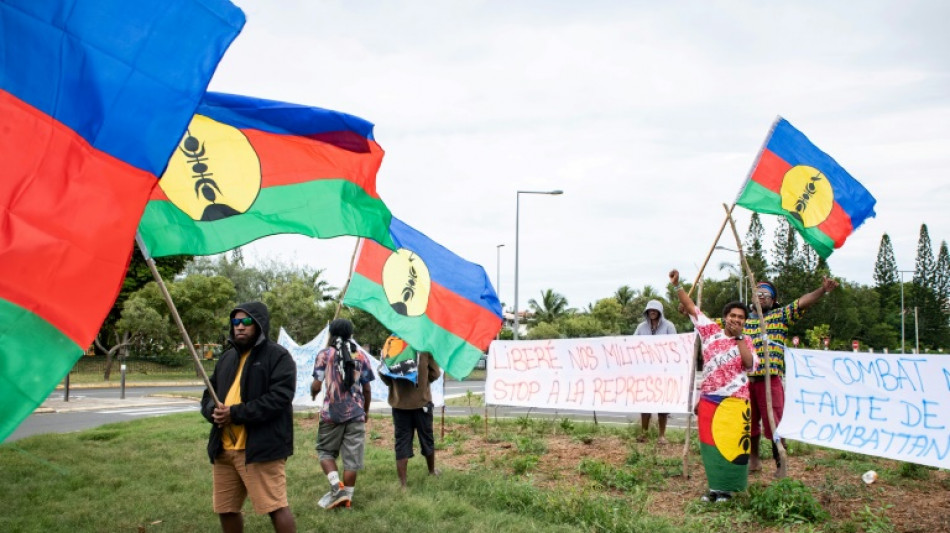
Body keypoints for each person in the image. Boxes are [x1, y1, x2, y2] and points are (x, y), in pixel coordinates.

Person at [201, 302, 297, 533]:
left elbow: (279, 398)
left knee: (275, 507)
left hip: (259, 449)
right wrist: (212, 411)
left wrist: (235, 414)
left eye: (246, 322)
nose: (240, 327)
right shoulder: (226, 358)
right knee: (226, 508)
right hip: (224, 449)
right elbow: (208, 394)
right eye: (236, 322)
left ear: (259, 324)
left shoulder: (278, 356)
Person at [670, 269, 756, 503]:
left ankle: (730, 490)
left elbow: (749, 365)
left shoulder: (747, 341)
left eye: (741, 318)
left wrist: (739, 340)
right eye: (733, 316)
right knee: (711, 447)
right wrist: (678, 286)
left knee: (731, 445)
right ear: (725, 317)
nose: (737, 320)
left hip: (736, 402)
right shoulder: (710, 332)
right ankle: (715, 488)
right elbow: (691, 308)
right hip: (709, 401)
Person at [745, 277, 839, 474]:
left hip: (770, 379)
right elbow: (711, 323)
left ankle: (781, 462)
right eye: (758, 294)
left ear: (773, 300)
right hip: (747, 380)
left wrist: (822, 290)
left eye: (766, 295)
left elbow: (802, 302)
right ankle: (754, 460)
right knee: (749, 423)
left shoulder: (779, 316)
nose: (761, 298)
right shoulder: (742, 319)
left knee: (776, 423)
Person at [310, 318, 374, 509]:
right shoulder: (360, 356)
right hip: (356, 413)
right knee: (351, 460)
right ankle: (347, 500)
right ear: (350, 334)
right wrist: (366, 411)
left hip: (332, 415)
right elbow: (367, 388)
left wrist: (313, 393)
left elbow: (316, 384)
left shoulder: (324, 354)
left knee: (324, 451)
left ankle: (336, 489)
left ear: (331, 333)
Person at [378, 337, 442, 487]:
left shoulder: (390, 343)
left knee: (401, 441)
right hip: (422, 403)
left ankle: (403, 484)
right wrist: (423, 382)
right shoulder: (423, 344)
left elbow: (383, 373)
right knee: (427, 437)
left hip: (399, 404)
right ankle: (432, 471)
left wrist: (394, 385)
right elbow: (435, 373)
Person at [633, 299, 677, 444]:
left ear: (660, 312)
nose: (652, 312)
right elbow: (632, 345)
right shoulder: (641, 327)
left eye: (655, 310)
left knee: (662, 405)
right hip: (645, 372)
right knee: (645, 404)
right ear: (647, 311)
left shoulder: (669, 326)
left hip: (663, 372)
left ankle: (661, 435)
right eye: (650, 310)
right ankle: (644, 434)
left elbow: (675, 346)